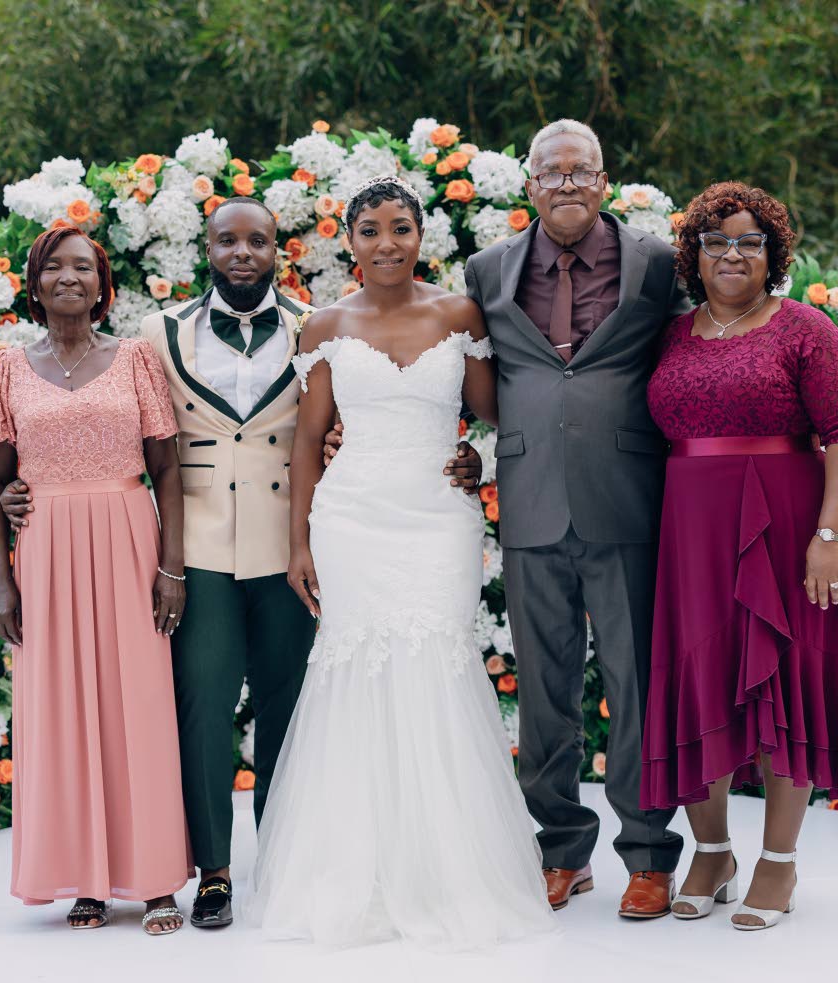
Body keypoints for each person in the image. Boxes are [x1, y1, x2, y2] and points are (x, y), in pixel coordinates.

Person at [0, 197, 482, 930]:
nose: (243, 253)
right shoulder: (157, 336)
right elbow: (114, 429)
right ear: (209, 249)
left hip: (295, 541)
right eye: (228, 241)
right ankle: (214, 871)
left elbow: (354, 417)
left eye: (258, 240)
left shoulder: (318, 325)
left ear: (277, 249)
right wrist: (24, 484)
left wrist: (446, 453)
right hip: (198, 547)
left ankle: (287, 860)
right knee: (202, 706)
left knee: (291, 705)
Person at [245, 176, 555, 948]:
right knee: (356, 670)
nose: (387, 243)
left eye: (401, 228)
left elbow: (496, 413)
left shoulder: (459, 314)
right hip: (351, 519)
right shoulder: (324, 325)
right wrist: (299, 543)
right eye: (371, 230)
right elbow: (307, 440)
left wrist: (478, 462)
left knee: (437, 665)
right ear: (349, 240)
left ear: (422, 235)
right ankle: (359, 868)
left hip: (438, 520)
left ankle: (447, 871)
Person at [639, 181, 838, 930]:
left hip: (787, 529)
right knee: (700, 677)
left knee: (783, 681)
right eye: (716, 242)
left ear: (773, 254)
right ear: (694, 254)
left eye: (750, 242)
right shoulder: (671, 335)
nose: (732, 255)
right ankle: (712, 851)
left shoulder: (807, 330)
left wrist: (830, 536)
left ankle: (778, 860)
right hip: (692, 533)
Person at [461, 120, 688, 917]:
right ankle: (561, 848)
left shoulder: (656, 262)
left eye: (579, 170)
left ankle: (649, 854)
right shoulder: (488, 268)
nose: (565, 183)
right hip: (530, 500)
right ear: (528, 185)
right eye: (550, 172)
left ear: (603, 181)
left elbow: (693, 354)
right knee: (544, 690)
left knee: (636, 684)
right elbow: (468, 371)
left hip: (627, 497)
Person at [0, 226, 191, 935]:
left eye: (84, 267)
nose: (68, 277)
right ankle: (87, 879)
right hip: (46, 550)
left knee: (140, 704)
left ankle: (157, 881)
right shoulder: (9, 367)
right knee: (62, 711)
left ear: (103, 286)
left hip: (128, 540)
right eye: (54, 266)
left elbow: (166, 468)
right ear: (35, 283)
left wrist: (170, 567)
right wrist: (2, 580)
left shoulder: (134, 358)